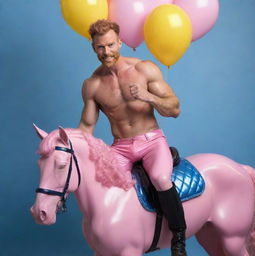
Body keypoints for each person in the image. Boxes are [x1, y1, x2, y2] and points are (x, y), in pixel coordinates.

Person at [78, 19, 187, 256]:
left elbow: (174, 109)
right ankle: (118, 237)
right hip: (120, 147)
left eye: (110, 45)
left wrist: (149, 96)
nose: (106, 52)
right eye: (100, 47)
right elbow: (87, 126)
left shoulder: (144, 69)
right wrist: (71, 148)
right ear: (93, 48)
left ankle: (179, 236)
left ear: (120, 42)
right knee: (103, 186)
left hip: (151, 142)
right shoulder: (92, 85)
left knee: (160, 177)